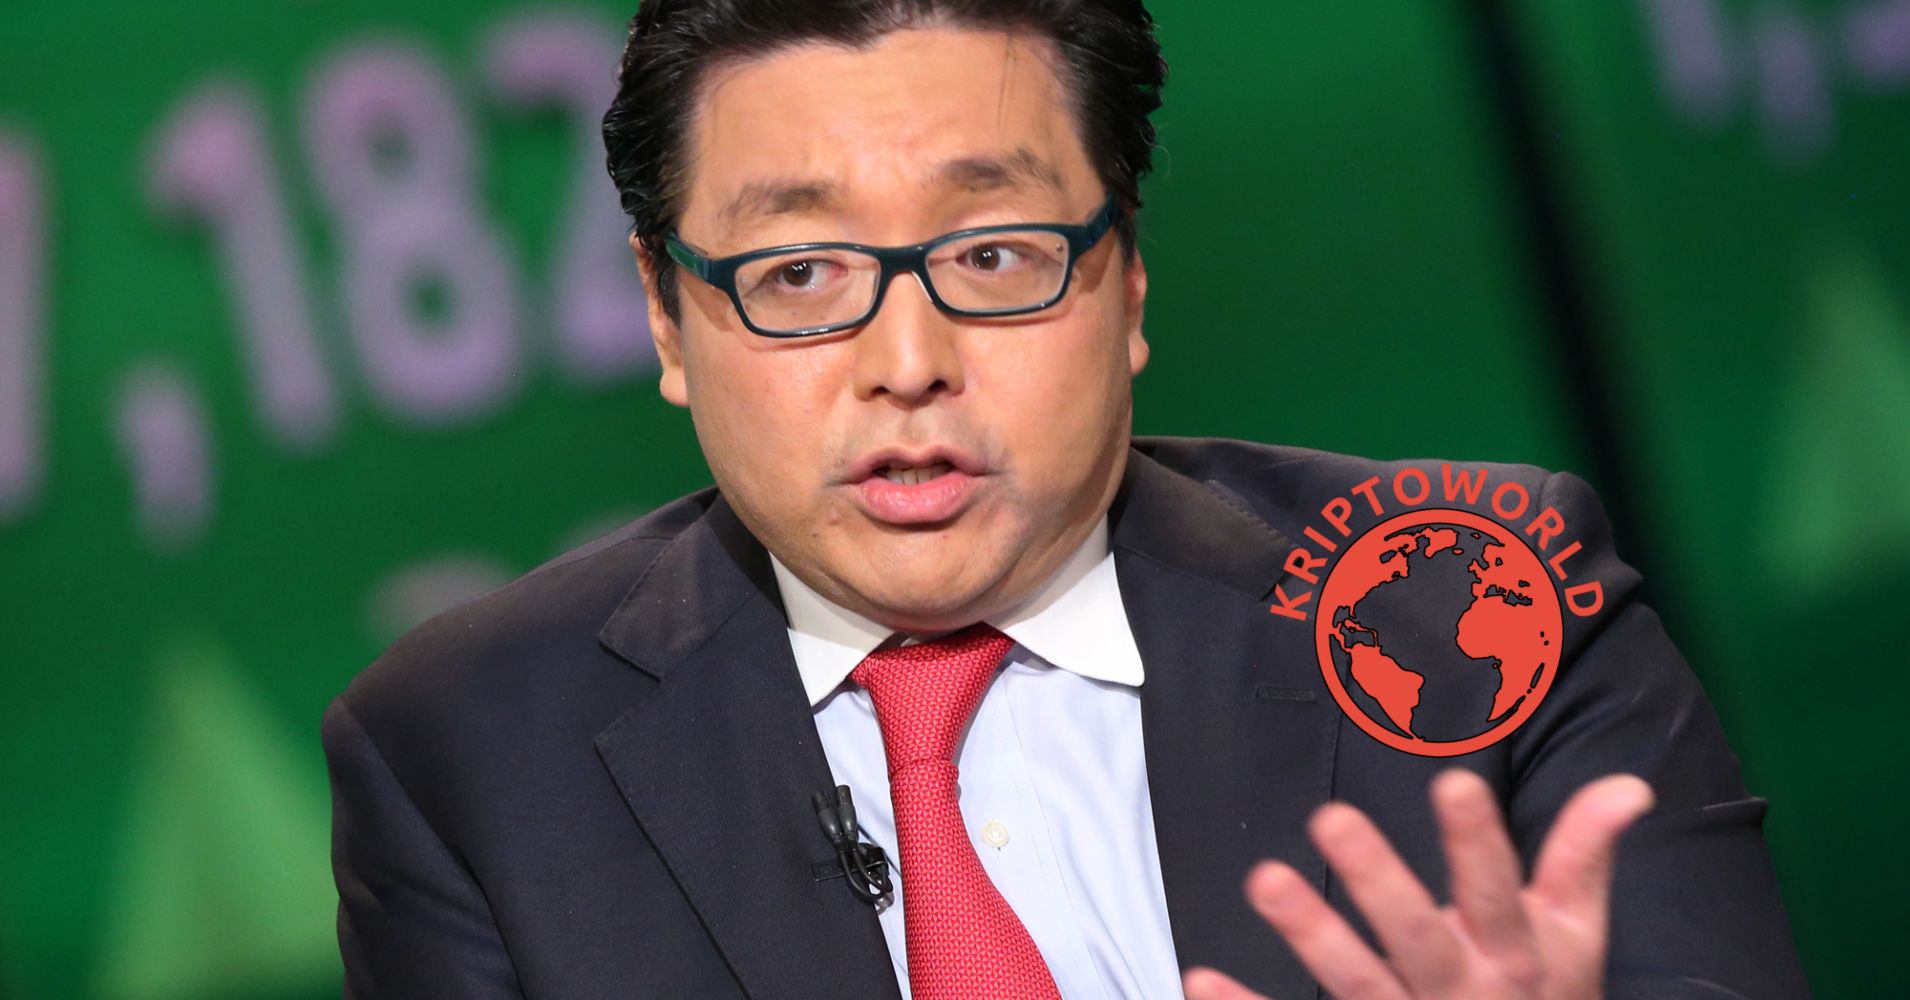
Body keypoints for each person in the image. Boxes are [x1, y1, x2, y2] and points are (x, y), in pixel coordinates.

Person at [321, 2, 1811, 997]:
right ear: (665, 316)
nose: (907, 364)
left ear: (1127, 278)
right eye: (800, 274)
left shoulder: (1469, 599)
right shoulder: (469, 754)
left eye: (993, 256)